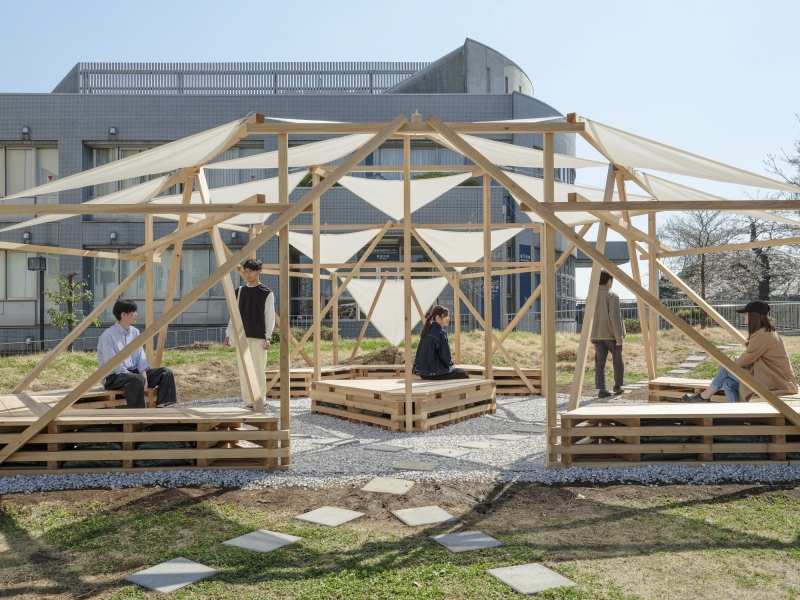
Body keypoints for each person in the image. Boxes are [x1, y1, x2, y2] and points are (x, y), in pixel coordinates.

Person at [680, 300, 798, 403]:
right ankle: (738, 413)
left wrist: (726, 362)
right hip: (772, 377)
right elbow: (748, 357)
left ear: (753, 315)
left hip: (775, 380)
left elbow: (744, 360)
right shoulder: (766, 332)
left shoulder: (761, 335)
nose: (743, 315)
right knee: (728, 382)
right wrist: (730, 359)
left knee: (727, 369)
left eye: (746, 313)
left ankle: (704, 396)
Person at [98, 299, 177, 408]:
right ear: (123, 314)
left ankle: (161, 407)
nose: (136, 314)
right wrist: (138, 377)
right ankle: (139, 415)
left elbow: (140, 356)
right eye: (133, 311)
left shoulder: (135, 332)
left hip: (134, 374)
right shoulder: (108, 335)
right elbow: (112, 365)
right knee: (136, 379)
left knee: (166, 373)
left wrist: (143, 373)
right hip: (114, 377)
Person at [224, 258, 275, 406]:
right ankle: (248, 401)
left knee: (258, 369)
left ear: (259, 271)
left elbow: (269, 316)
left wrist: (268, 337)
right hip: (242, 336)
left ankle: (260, 400)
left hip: (259, 337)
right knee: (244, 370)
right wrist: (229, 334)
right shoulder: (240, 291)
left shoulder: (267, 293)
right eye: (246, 271)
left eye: (251, 271)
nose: (248, 274)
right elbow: (233, 315)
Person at [590, 270, 626, 398]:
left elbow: (588, 317)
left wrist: (591, 335)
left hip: (596, 335)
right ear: (609, 281)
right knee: (617, 361)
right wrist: (619, 337)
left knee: (600, 363)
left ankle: (602, 389)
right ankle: (618, 386)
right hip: (611, 335)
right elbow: (614, 318)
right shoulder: (612, 296)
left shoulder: (591, 296)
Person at [413, 305, 470, 380]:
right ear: (438, 318)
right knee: (463, 373)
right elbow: (445, 356)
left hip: (423, 374)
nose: (448, 318)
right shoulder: (440, 333)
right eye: (446, 316)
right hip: (435, 373)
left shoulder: (427, 330)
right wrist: (450, 365)